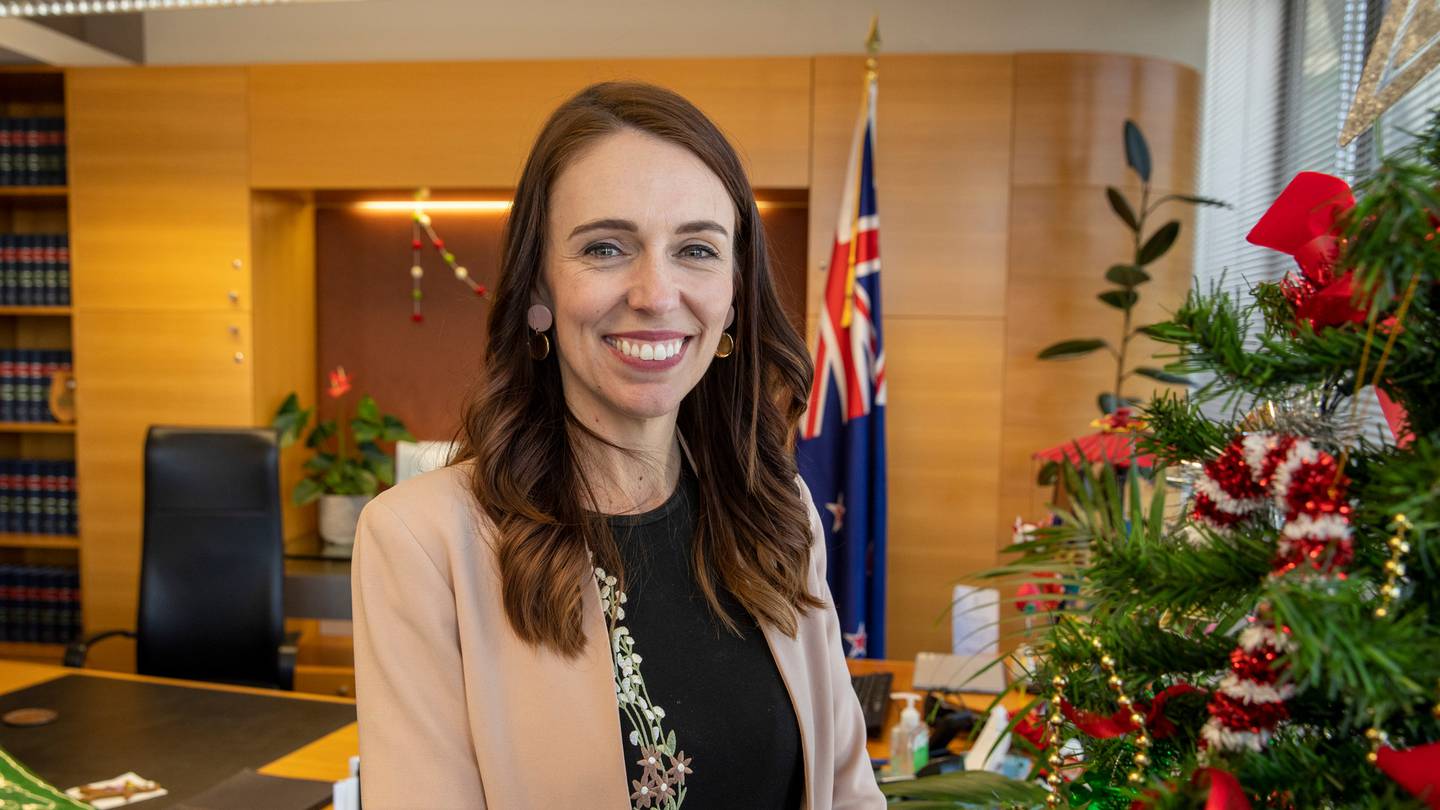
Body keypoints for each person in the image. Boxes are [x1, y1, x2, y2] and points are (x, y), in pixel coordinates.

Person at [351, 80, 885, 810]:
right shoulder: (421, 542)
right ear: (537, 285)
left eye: (696, 248)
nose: (655, 292)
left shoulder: (777, 509)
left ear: (732, 291)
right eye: (606, 247)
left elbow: (850, 791)